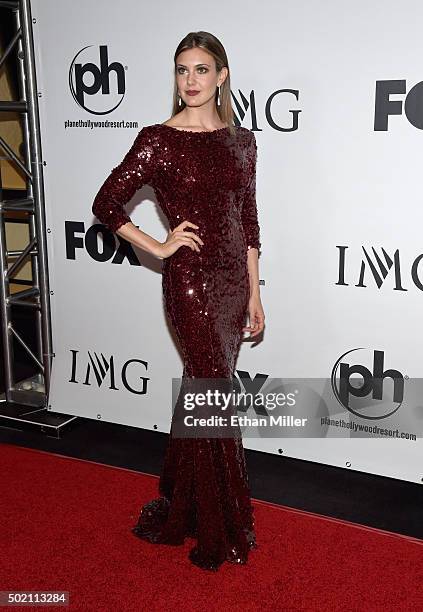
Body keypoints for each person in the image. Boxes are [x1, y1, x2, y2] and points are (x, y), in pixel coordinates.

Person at [91, 31, 265, 571]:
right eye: (182, 70)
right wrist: (161, 246)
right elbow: (106, 203)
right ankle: (221, 523)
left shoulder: (243, 141)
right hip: (189, 282)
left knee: (202, 392)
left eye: (201, 70)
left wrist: (256, 294)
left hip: (235, 283)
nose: (190, 80)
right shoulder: (157, 140)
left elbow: (249, 220)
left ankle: (189, 502)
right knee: (214, 394)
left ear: (222, 76)